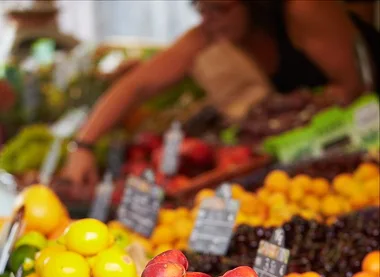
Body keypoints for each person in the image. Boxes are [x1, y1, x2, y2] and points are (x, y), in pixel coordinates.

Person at [64, 0, 379, 186]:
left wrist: (303, 113)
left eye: (220, 8)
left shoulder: (303, 9)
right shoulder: (215, 29)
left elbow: (354, 89)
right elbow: (138, 85)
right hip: (307, 154)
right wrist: (84, 145)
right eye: (202, 9)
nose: (211, 21)